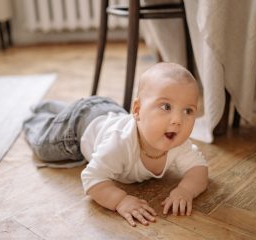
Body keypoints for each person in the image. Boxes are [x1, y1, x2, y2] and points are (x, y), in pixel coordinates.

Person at [23, 62, 208, 227]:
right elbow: (91, 177)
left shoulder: (178, 143)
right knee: (43, 146)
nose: (178, 120)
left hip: (107, 111)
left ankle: (56, 108)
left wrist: (185, 191)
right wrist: (120, 201)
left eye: (188, 111)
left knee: (66, 114)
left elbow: (199, 168)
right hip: (79, 127)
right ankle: (33, 117)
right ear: (137, 110)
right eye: (166, 107)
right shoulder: (119, 143)